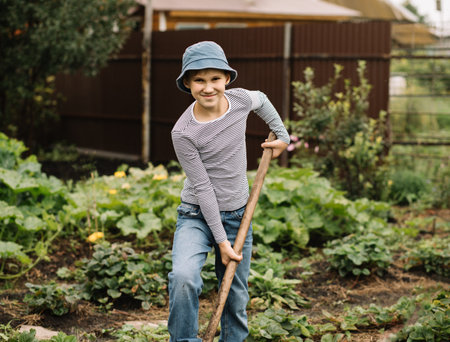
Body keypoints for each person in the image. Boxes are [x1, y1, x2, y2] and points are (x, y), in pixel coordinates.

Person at [168, 41, 290, 342]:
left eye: (214, 79)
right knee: (183, 278)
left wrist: (283, 137)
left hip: (238, 215)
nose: (208, 88)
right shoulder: (183, 132)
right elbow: (203, 187)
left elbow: (261, 99)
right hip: (196, 214)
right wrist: (221, 241)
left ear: (227, 79)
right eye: (199, 80)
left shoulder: (239, 100)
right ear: (187, 83)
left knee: (234, 294)